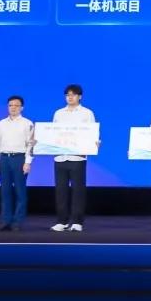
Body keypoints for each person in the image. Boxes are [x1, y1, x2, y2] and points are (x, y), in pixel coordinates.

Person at [50, 84, 97, 233]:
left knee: (78, 191)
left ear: (80, 96)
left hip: (77, 157)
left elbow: (92, 133)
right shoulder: (59, 113)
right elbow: (53, 133)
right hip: (60, 157)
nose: (70, 97)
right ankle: (62, 221)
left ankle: (77, 221)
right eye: (67, 95)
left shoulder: (86, 113)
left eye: (73, 95)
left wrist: (94, 143)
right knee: (61, 191)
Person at [0, 95, 33, 231]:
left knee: (20, 191)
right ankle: (6, 221)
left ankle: (17, 222)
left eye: (16, 105)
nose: (13, 108)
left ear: (22, 108)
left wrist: (27, 162)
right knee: (5, 191)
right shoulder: (1, 123)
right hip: (4, 159)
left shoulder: (27, 123)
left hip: (19, 159)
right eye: (10, 105)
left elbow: (30, 145)